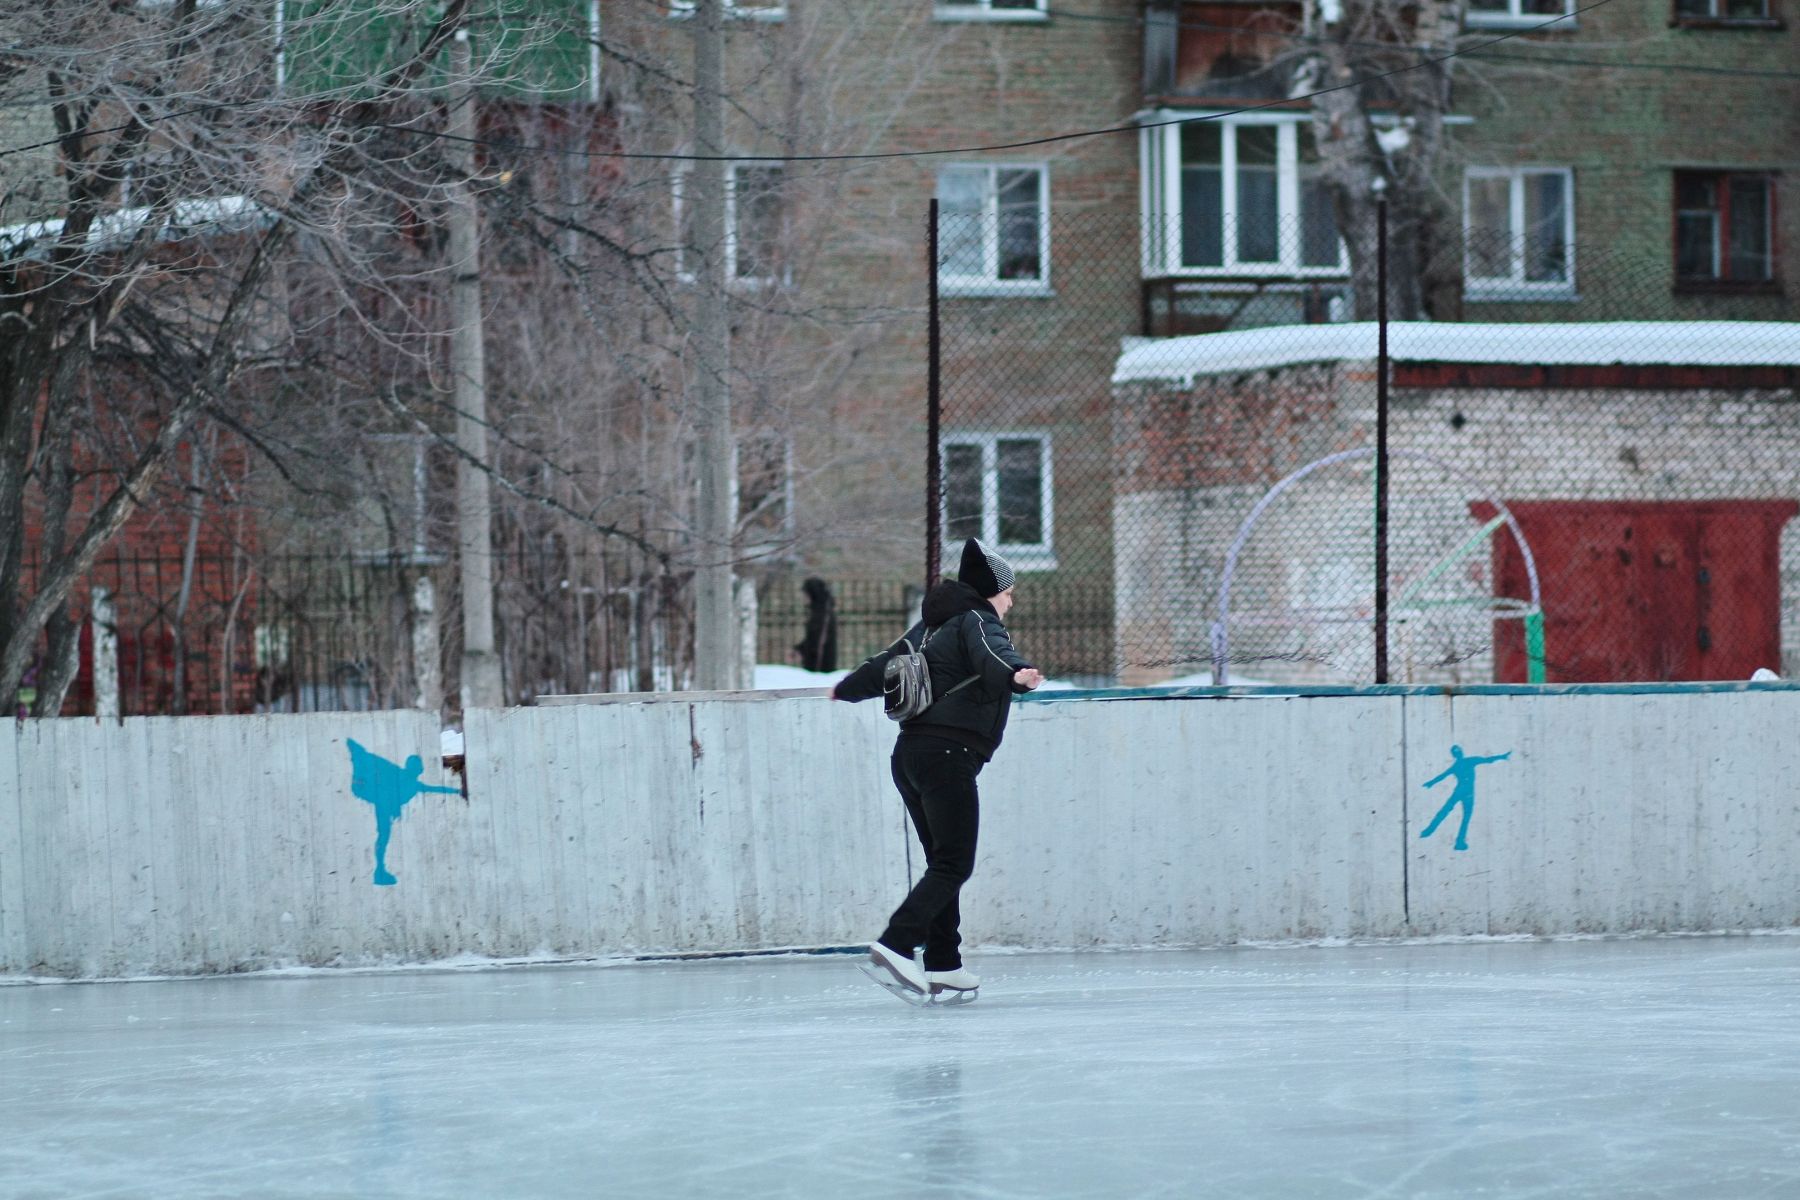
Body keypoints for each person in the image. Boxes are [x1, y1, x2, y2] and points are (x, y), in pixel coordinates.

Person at [830, 537, 1044, 999]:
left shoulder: (927, 629)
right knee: (953, 863)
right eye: (1008, 591)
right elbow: (993, 655)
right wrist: (1017, 675)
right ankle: (897, 943)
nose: (1011, 600)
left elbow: (884, 665)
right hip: (947, 757)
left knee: (941, 864)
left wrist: (845, 688)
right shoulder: (977, 619)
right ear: (992, 590)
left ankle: (945, 962)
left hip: (910, 757)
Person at [794, 576, 838, 672]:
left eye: (806, 594)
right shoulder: (819, 610)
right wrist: (799, 649)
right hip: (815, 662)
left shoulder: (823, 613)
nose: (804, 598)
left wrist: (802, 652)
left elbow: (817, 639)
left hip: (819, 665)